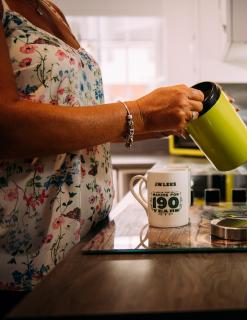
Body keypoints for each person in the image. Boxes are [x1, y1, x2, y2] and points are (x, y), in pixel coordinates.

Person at [0, 0, 204, 301]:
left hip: (85, 244)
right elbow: (6, 127)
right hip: (25, 260)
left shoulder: (50, 9)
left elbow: (74, 120)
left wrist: (161, 122)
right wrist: (142, 113)